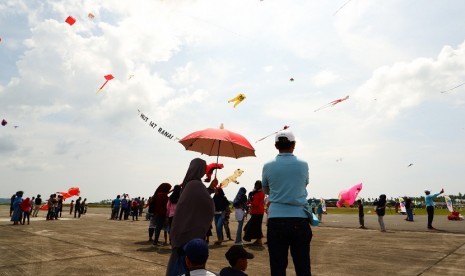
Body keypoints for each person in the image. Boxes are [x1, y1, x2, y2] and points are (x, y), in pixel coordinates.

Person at [262, 130, 312, 276]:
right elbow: (304, 184)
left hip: (276, 219)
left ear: (276, 146)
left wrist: (278, 193)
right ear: (293, 145)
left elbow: (266, 189)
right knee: (302, 264)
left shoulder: (267, 165)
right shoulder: (303, 165)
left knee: (277, 265)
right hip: (299, 218)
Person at [166, 158, 215, 276]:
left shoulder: (189, 184)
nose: (205, 170)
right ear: (200, 169)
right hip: (189, 235)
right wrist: (211, 188)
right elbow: (208, 204)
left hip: (181, 233)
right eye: (204, 168)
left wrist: (210, 188)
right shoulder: (196, 184)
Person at [243, 181, 265, 246]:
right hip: (259, 212)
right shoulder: (261, 193)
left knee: (251, 226)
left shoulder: (258, 193)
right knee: (257, 226)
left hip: (257, 212)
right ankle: (258, 240)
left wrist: (250, 202)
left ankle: (259, 241)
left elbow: (255, 203)